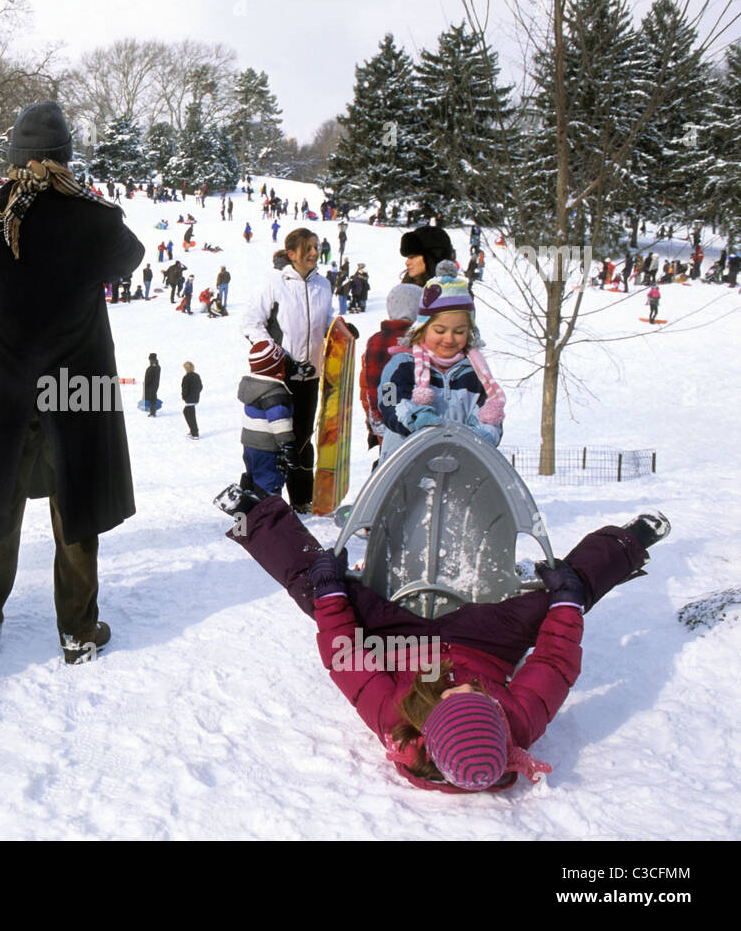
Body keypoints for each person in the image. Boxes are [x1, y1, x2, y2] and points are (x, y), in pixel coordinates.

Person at [218, 481, 671, 792]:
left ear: (425, 721)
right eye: (481, 697)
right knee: (561, 599)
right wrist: (567, 601)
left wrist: (333, 591)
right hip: (487, 643)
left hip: (402, 645)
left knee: (315, 591)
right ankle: (626, 544)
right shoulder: (520, 721)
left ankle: (255, 516)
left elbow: (347, 657)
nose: (465, 682)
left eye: (451, 696)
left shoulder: (394, 718)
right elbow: (554, 661)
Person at [0, 100, 143, 664]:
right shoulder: (96, 219)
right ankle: (78, 632)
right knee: (73, 506)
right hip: (77, 388)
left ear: (15, 160)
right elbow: (131, 256)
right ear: (65, 160)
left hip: (2, 387)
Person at [241, 227, 333, 513]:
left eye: (316, 247)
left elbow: (325, 322)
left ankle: (302, 500)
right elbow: (250, 323)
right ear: (292, 254)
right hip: (279, 378)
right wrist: (281, 357)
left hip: (311, 375)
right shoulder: (274, 284)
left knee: (303, 437)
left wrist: (338, 330)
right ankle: (266, 501)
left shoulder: (324, 285)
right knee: (277, 439)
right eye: (308, 248)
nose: (315, 253)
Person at [377, 263, 505, 463]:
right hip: (405, 467)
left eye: (459, 331)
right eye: (440, 330)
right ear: (422, 328)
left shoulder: (476, 372)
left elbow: (489, 412)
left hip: (459, 467)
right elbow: (389, 400)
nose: (449, 339)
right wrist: (414, 418)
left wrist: (481, 437)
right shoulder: (401, 365)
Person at [360, 284, 421, 462]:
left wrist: (377, 415)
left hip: (385, 412)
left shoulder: (377, 339)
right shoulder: (419, 340)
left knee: (389, 462)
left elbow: (372, 382)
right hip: (412, 415)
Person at [239, 341, 295, 495]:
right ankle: (269, 514)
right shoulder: (274, 392)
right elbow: (279, 421)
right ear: (276, 367)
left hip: (249, 444)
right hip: (267, 447)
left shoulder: (253, 386)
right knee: (268, 481)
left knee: (252, 477)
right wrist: (288, 446)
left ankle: (247, 510)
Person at [181, 361, 202, 438]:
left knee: (190, 414)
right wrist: (196, 393)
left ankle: (195, 433)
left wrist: (184, 396)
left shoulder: (186, 377)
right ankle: (193, 430)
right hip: (195, 398)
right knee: (187, 412)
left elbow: (184, 389)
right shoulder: (197, 376)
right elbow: (200, 386)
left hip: (189, 399)